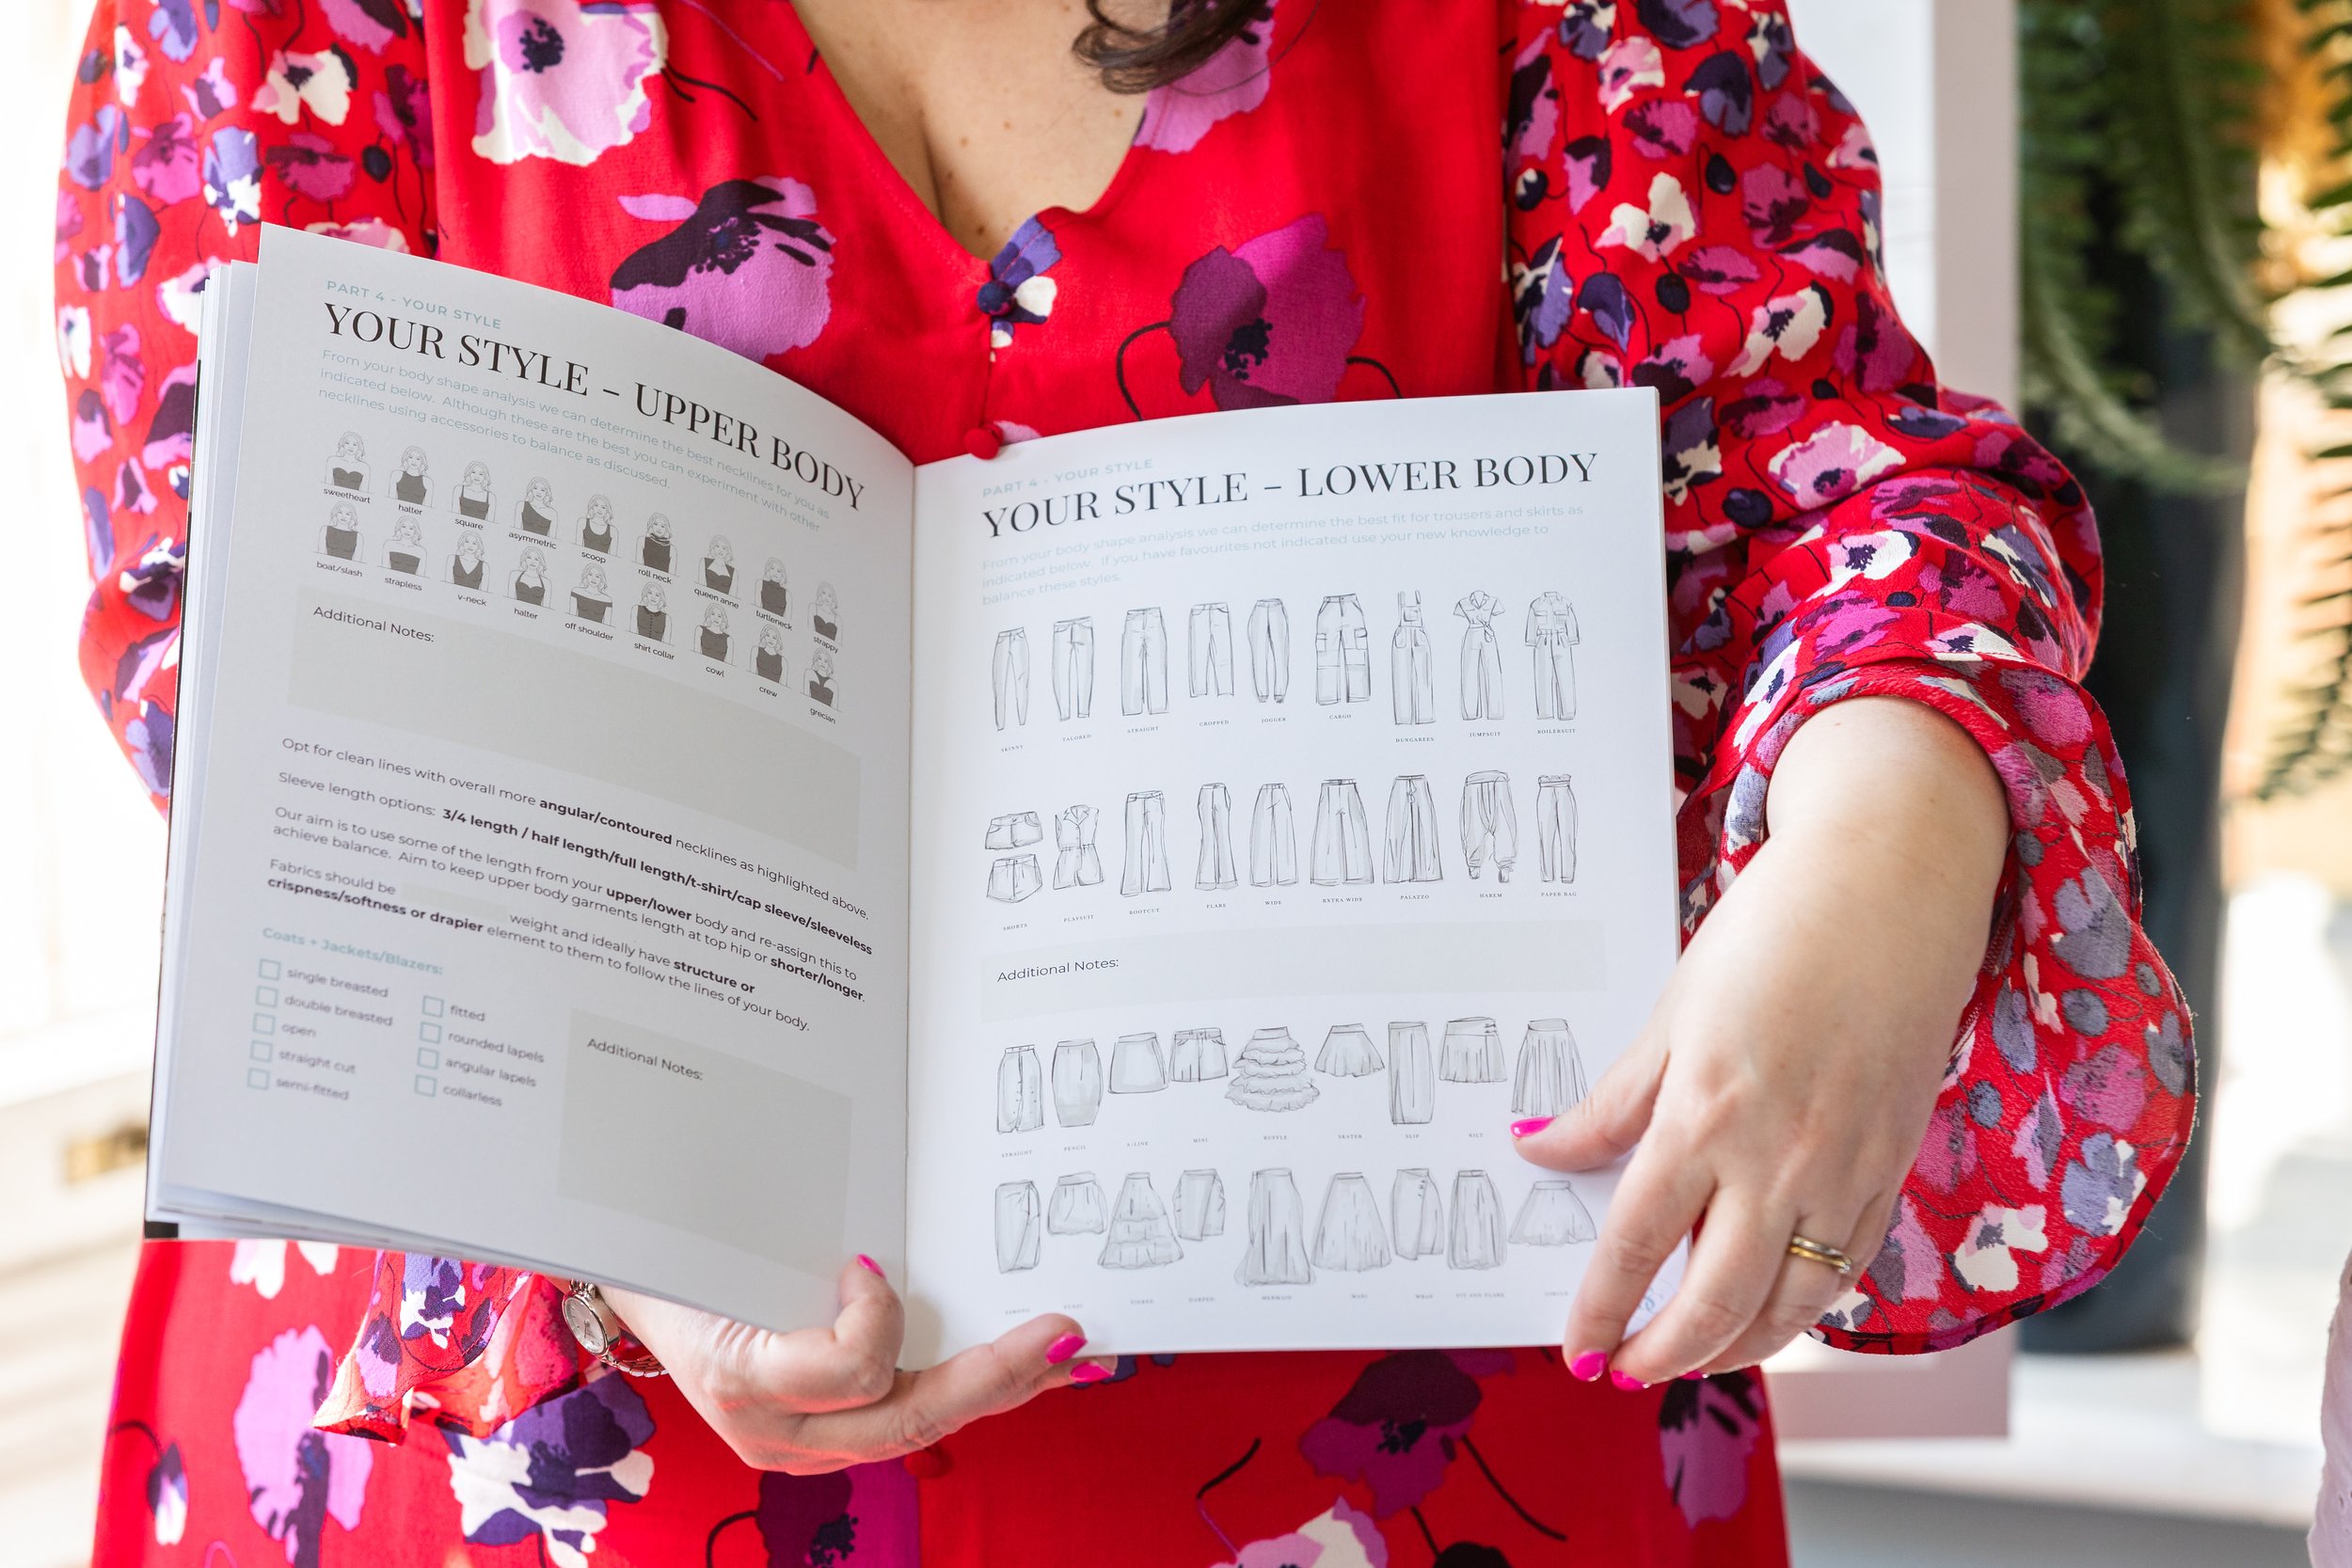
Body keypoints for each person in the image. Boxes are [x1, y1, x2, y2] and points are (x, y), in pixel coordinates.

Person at [57, 4, 2195, 1564]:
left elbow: (1830, 472)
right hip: (536, 1464)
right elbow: (236, 649)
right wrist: (599, 1205)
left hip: (1423, 1475)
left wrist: (1883, 833)